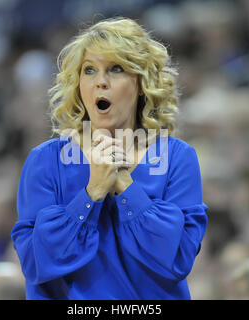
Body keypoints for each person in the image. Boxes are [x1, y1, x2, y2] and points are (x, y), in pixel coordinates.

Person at [11, 17, 209, 299]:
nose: (100, 82)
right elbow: (36, 263)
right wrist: (91, 194)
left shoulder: (177, 158)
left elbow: (177, 258)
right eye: (89, 70)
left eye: (116, 69)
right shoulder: (45, 161)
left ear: (142, 82)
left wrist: (126, 187)